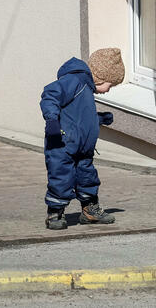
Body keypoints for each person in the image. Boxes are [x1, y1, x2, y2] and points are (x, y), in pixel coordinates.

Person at [40, 49, 125, 230]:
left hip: (82, 148)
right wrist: (52, 120)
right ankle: (55, 213)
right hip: (61, 144)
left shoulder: (85, 88)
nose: (108, 90)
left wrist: (98, 118)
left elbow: (77, 116)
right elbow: (50, 95)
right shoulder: (74, 81)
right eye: (110, 85)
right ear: (100, 77)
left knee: (88, 178)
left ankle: (90, 210)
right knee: (61, 178)